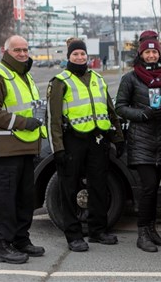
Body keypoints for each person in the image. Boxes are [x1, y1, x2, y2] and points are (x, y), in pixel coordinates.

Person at [47, 39, 125, 252]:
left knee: (98, 186)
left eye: (82, 54)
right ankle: (73, 236)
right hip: (72, 141)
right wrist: (58, 148)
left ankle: (98, 231)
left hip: (97, 140)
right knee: (69, 188)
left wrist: (117, 137)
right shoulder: (60, 81)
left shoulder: (98, 79)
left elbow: (110, 110)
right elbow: (52, 118)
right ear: (68, 57)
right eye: (75, 55)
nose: (80, 58)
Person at [0, 35, 45, 264]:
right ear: (6, 52)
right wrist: (23, 123)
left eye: (25, 49)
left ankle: (20, 239)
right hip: (5, 148)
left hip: (26, 146)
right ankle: (3, 246)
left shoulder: (24, 76)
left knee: (25, 198)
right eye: (17, 50)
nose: (23, 54)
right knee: (5, 200)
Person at [115, 31, 161, 253]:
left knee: (156, 188)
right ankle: (142, 233)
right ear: (141, 53)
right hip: (141, 140)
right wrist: (142, 114)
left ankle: (152, 229)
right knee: (147, 188)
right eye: (147, 52)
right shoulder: (130, 78)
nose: (151, 55)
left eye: (154, 51)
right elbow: (120, 106)